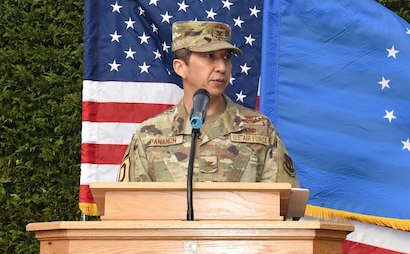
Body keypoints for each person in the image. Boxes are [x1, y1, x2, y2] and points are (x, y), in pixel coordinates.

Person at [117, 20, 299, 187]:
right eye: (210, 56)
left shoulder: (260, 129)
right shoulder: (149, 135)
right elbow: (127, 208)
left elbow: (283, 206)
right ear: (180, 67)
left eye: (226, 57)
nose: (222, 67)